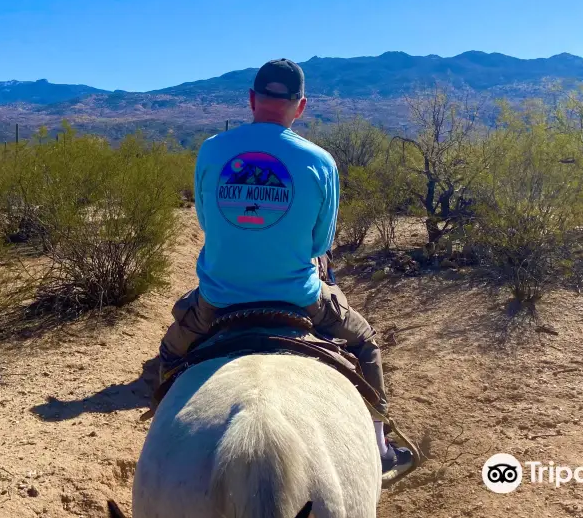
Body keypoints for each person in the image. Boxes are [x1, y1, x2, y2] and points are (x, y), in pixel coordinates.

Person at [158, 58, 412, 473]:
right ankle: (381, 448)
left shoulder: (212, 150)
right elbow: (319, 243)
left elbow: (206, 221)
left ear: (252, 99)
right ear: (302, 105)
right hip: (299, 300)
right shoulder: (320, 161)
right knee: (365, 344)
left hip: (218, 299)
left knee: (171, 351)